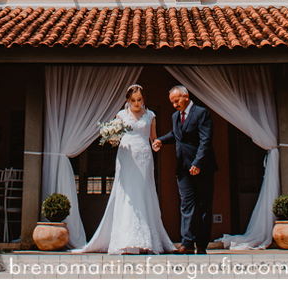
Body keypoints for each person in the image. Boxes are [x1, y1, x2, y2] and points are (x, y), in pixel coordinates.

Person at [74, 84, 174, 254]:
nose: (136, 103)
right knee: (127, 194)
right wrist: (112, 138)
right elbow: (116, 138)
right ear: (128, 100)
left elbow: (153, 139)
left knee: (144, 193)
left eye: (139, 100)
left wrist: (157, 145)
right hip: (126, 157)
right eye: (133, 100)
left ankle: (147, 239)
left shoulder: (150, 116)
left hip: (143, 157)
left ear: (143, 99)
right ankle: (126, 240)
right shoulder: (121, 115)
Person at [152, 85, 217, 255]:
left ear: (186, 97)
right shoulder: (175, 116)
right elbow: (176, 135)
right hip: (183, 168)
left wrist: (198, 163)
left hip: (202, 167)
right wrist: (160, 140)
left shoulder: (201, 113)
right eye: (172, 102)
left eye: (176, 101)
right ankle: (187, 243)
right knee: (186, 205)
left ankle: (201, 245)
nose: (174, 105)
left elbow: (205, 140)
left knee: (203, 206)